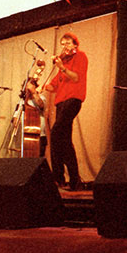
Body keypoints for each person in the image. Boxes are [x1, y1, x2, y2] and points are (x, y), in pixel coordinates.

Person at [44, 32, 88, 190]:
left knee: (56, 134)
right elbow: (53, 86)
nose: (65, 47)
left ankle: (58, 178)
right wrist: (41, 86)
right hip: (61, 103)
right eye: (63, 44)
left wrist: (62, 68)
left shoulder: (80, 57)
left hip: (73, 100)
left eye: (68, 43)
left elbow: (76, 78)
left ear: (75, 45)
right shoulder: (63, 62)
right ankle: (75, 181)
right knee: (65, 142)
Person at [25, 79, 48, 157]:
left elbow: (41, 106)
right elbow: (15, 119)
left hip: (40, 136)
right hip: (26, 137)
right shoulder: (22, 101)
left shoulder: (41, 97)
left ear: (35, 86)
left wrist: (34, 93)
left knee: (39, 160)